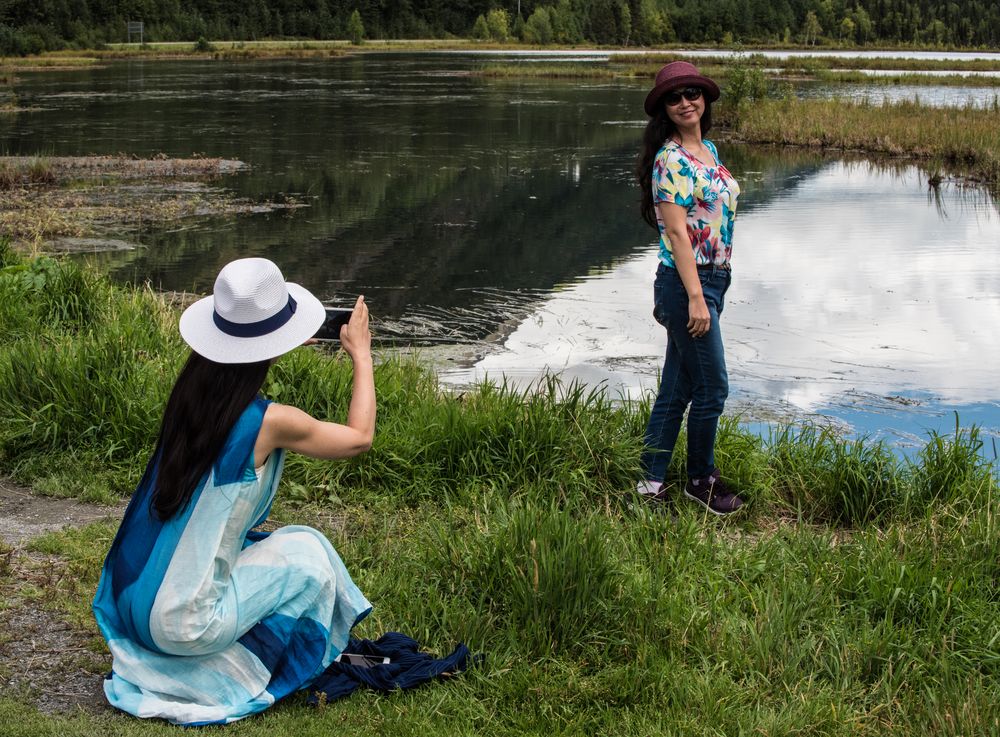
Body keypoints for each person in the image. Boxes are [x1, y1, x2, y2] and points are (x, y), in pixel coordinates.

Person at [92, 257, 376, 724]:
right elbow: (358, 438)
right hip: (186, 625)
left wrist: (274, 340)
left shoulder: (190, 398)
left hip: (137, 609)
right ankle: (270, 662)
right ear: (274, 342)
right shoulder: (270, 422)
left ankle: (196, 648)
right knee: (307, 551)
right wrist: (361, 355)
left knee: (264, 547)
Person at [634, 61, 744, 515]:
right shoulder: (670, 159)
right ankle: (701, 482)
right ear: (665, 108)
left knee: (676, 390)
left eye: (692, 94)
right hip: (686, 284)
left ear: (704, 99)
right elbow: (678, 234)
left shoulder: (709, 151)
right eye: (675, 98)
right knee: (713, 388)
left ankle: (650, 485)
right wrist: (697, 296)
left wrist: (711, 289)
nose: (685, 102)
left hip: (712, 279)